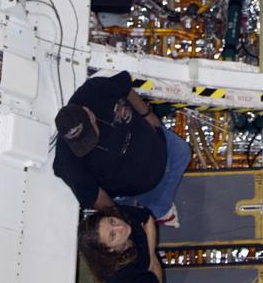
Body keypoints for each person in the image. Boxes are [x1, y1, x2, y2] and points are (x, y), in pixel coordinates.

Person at [53, 70, 190, 224]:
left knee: (183, 152)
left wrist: (148, 115)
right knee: (148, 213)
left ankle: (158, 209)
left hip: (159, 144)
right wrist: (122, 220)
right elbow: (96, 198)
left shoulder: (94, 90)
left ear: (89, 113)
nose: (89, 145)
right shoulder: (67, 161)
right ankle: (158, 211)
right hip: (137, 190)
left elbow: (125, 88)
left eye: (90, 135)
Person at [78, 204, 183, 283]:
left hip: (148, 281)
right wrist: (150, 251)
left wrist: (151, 257)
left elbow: (147, 216)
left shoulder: (120, 215)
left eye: (112, 221)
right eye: (112, 235)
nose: (120, 227)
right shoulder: (119, 273)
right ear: (110, 250)